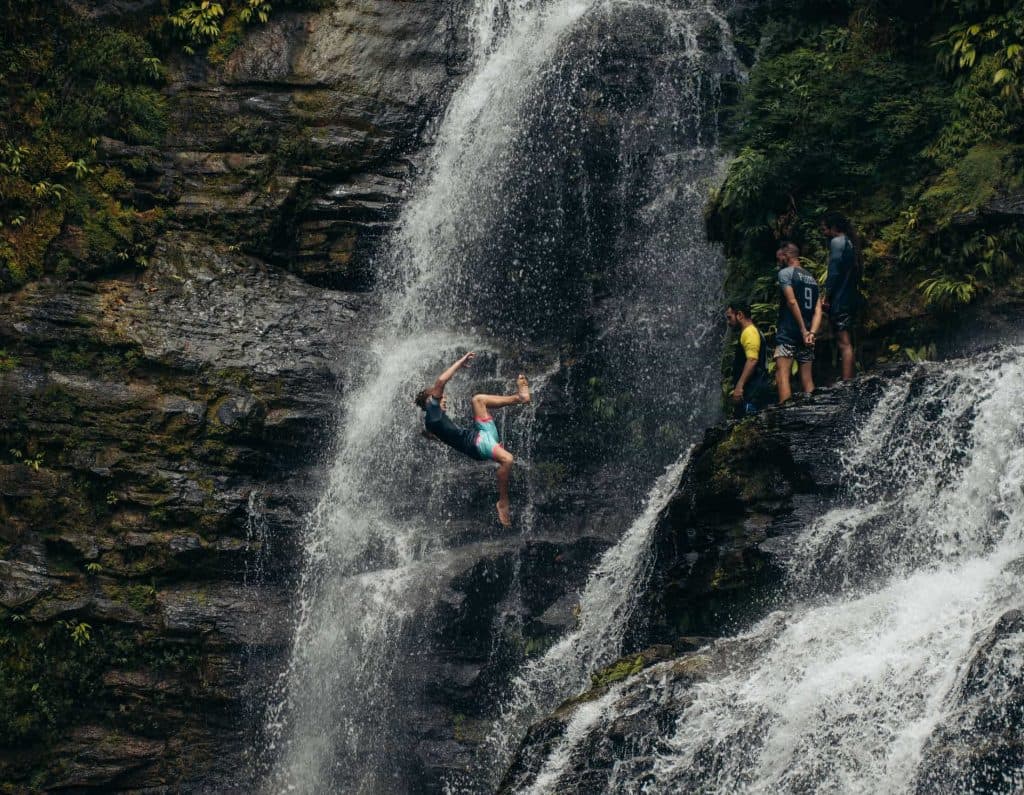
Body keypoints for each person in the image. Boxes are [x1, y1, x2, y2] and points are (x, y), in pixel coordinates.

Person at [414, 352, 531, 527]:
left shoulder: (432, 421)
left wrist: (430, 435)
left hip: (482, 434)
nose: (444, 399)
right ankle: (503, 502)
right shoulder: (433, 410)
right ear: (430, 401)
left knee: (478, 400)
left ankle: (519, 398)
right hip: (477, 444)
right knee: (508, 459)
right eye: (441, 398)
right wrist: (461, 362)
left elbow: (433, 433)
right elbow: (441, 381)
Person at [774, 242, 823, 403]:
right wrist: (811, 333)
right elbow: (818, 310)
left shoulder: (785, 274)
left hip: (788, 333)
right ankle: (812, 410)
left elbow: (792, 301)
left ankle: (785, 414)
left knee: (782, 375)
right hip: (808, 336)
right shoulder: (812, 279)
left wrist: (802, 330)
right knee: (807, 379)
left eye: (779, 258)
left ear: (787, 256)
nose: (778, 262)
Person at [821, 212, 861, 381]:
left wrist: (826, 296)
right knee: (847, 341)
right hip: (849, 297)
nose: (823, 232)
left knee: (843, 343)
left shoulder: (837, 242)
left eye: (824, 228)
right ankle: (850, 378)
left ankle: (846, 382)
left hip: (840, 299)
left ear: (833, 227)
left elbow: (834, 272)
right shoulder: (850, 243)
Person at [725, 298, 770, 417]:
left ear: (739, 315)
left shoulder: (749, 332)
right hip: (754, 390)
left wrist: (739, 386)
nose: (728, 322)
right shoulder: (752, 331)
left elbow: (752, 360)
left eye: (730, 317)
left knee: (751, 423)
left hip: (753, 391)